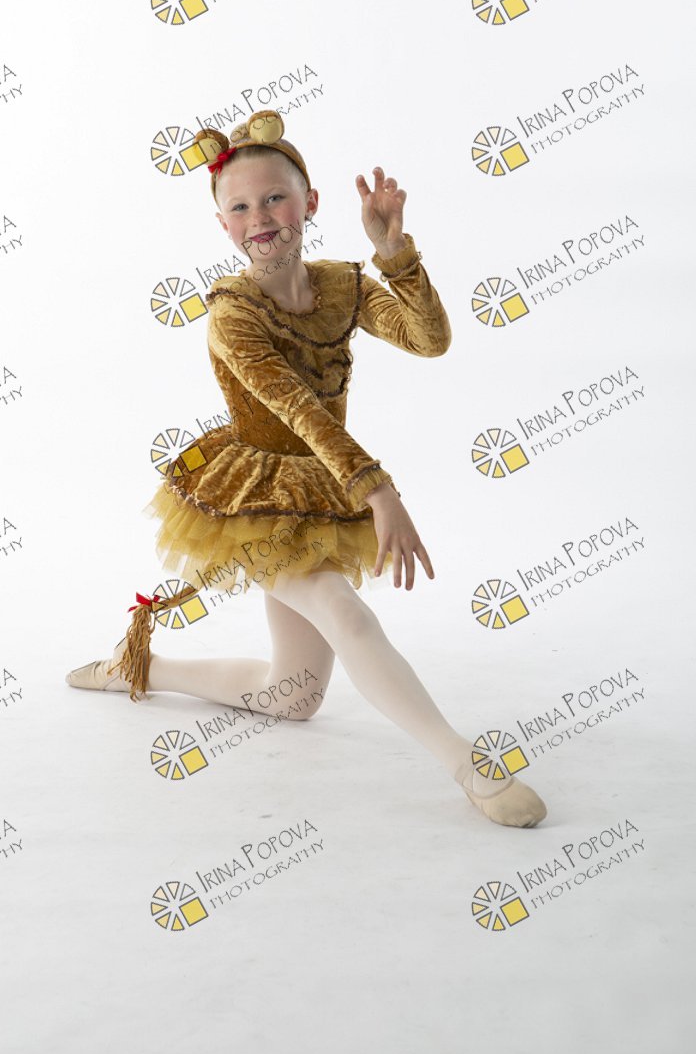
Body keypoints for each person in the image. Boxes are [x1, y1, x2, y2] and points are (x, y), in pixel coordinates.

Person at [65, 109, 547, 829]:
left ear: (310, 202)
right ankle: (469, 767)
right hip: (254, 497)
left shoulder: (340, 286)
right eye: (240, 208)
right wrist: (379, 491)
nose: (259, 218)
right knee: (346, 612)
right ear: (222, 225)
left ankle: (137, 667)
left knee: (292, 696)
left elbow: (430, 339)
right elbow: (298, 411)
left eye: (274, 199)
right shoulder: (232, 315)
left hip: (320, 486)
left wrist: (395, 255)